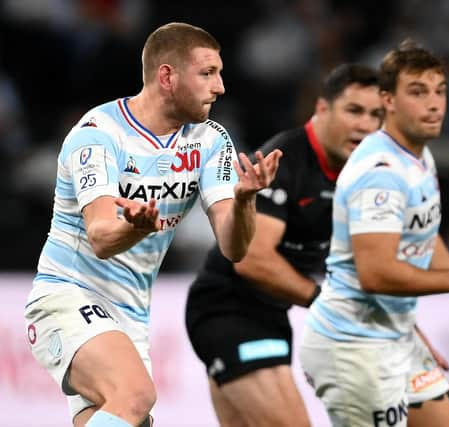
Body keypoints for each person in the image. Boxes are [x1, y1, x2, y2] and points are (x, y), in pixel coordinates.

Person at [23, 22, 281, 427]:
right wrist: (136, 229)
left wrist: (246, 200)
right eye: (207, 73)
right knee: (136, 395)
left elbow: (235, 247)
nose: (221, 87)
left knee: (130, 416)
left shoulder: (210, 139)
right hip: (68, 296)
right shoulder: (99, 133)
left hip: (130, 315)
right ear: (167, 76)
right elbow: (102, 237)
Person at [299, 40, 449, 427]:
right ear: (387, 100)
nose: (434, 104)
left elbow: (422, 234)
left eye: (440, 91)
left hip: (396, 337)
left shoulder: (417, 155)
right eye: (418, 93)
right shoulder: (381, 172)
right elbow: (375, 273)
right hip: (353, 345)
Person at [184, 63, 385, 427]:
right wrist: (326, 304)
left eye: (376, 115)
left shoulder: (362, 174)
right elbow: (252, 260)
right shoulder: (286, 159)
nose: (366, 125)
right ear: (322, 109)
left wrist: (406, 332)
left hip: (271, 317)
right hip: (227, 310)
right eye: (354, 110)